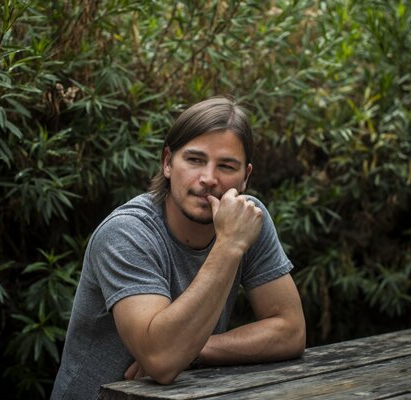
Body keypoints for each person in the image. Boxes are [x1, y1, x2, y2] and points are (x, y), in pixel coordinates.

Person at [50, 96, 306, 400]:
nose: (209, 179)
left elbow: (290, 331)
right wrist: (229, 245)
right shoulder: (127, 232)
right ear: (168, 162)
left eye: (226, 166)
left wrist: (195, 348)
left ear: (246, 177)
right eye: (195, 160)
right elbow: (162, 360)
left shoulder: (248, 218)